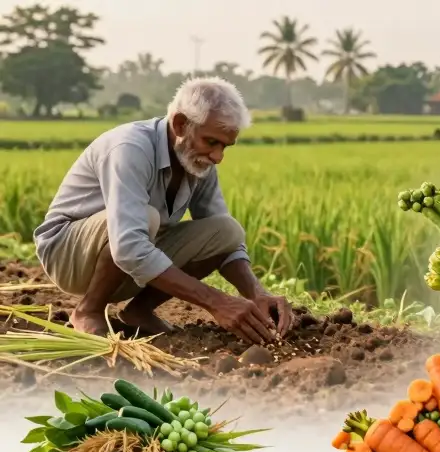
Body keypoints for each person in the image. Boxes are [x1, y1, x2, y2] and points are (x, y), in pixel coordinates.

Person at [33, 76, 293, 343]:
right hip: (68, 253)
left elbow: (225, 242)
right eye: (211, 142)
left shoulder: (199, 164)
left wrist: (256, 293)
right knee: (146, 218)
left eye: (225, 146)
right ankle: (89, 310)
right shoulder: (130, 148)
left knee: (228, 231)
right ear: (181, 124)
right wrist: (217, 302)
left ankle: (139, 311)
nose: (218, 157)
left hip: (128, 258)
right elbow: (129, 246)